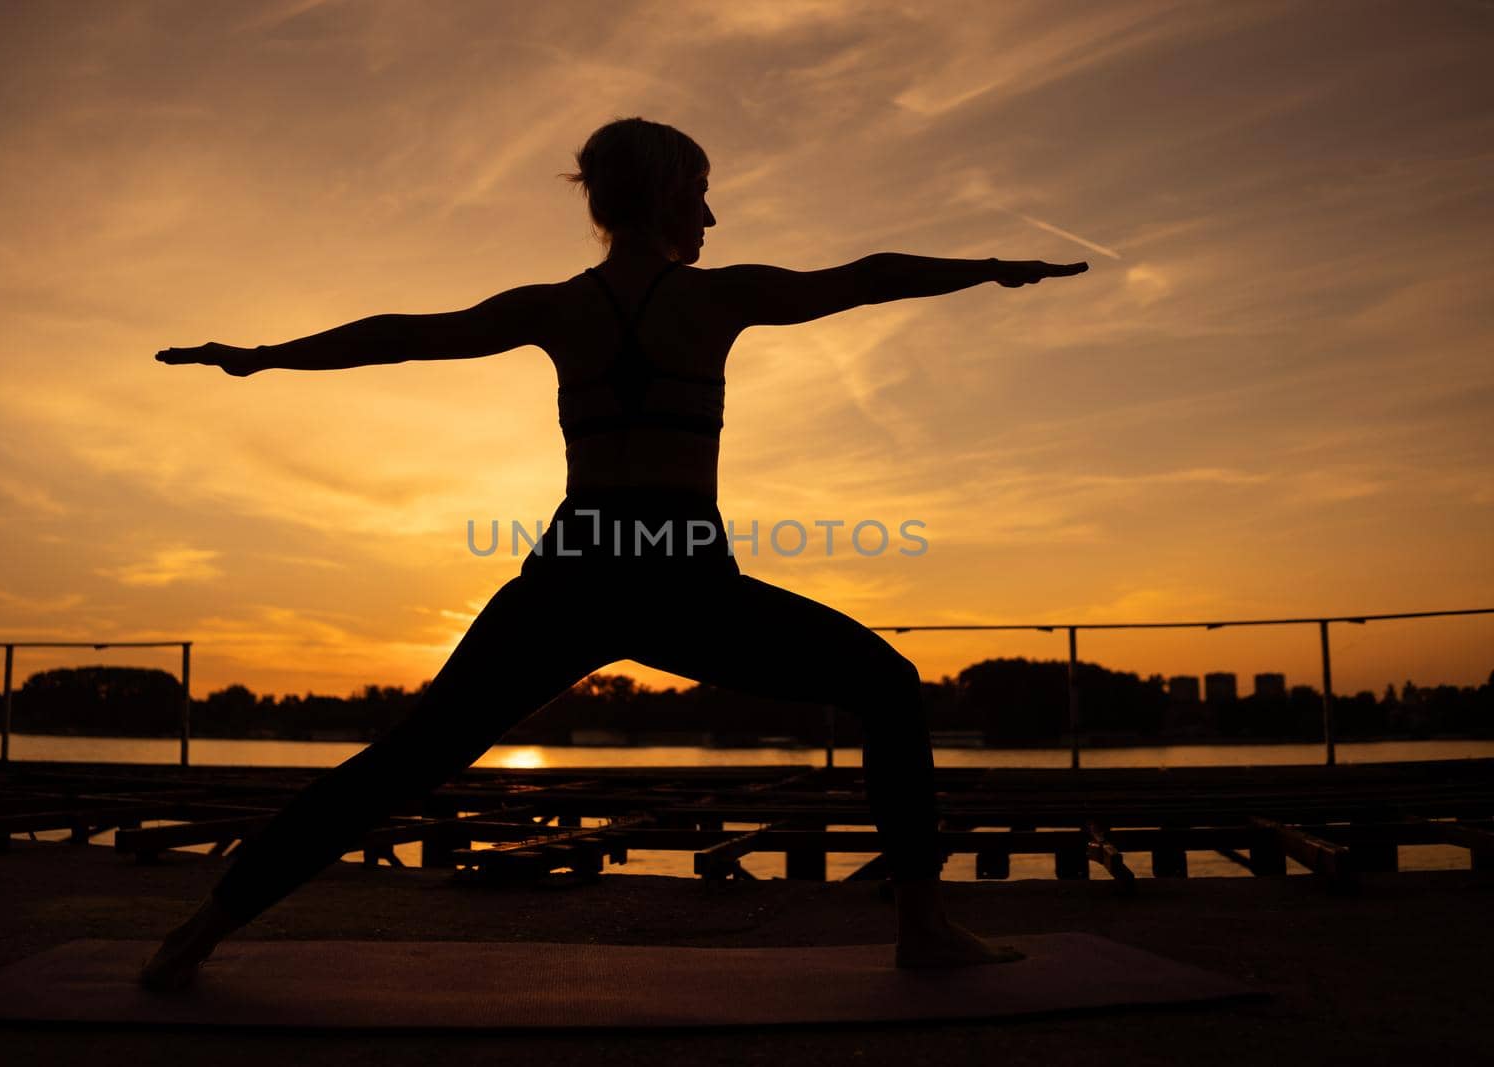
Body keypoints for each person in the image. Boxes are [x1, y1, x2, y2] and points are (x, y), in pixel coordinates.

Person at [141, 116, 1087, 991]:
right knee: (887, 683)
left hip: (579, 563)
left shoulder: (558, 307)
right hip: (677, 568)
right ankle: (922, 929)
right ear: (670, 197)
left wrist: (266, 355)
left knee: (409, 757)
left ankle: (201, 929)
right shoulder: (721, 297)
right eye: (704, 192)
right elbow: (865, 274)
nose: (714, 214)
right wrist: (989, 265)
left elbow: (403, 337)